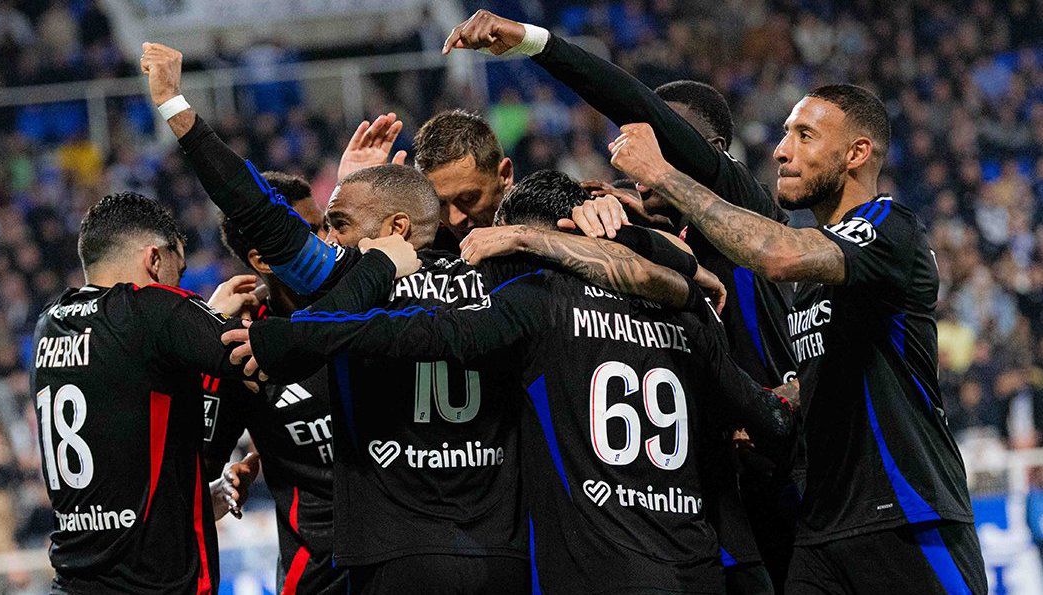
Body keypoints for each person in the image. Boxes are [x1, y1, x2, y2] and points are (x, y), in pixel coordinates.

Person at [141, 41, 704, 594]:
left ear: (397, 227)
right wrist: (659, 254)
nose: (330, 236)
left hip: (395, 552)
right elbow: (659, 265)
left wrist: (176, 108)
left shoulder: (358, 280)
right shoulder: (509, 275)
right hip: (503, 554)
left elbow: (257, 210)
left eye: (339, 223)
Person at [233, 170, 799, 594]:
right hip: (704, 562)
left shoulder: (534, 304)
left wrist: (294, 336)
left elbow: (422, 332)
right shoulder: (686, 311)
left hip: (588, 568)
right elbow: (767, 419)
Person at [441, 11, 798, 590]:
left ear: (708, 154)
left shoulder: (744, 213)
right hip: (713, 506)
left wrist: (535, 43)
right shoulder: (648, 242)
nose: (640, 168)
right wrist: (600, 228)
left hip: (789, 477)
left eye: (662, 149)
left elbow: (630, 100)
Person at [607, 86, 985, 593]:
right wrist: (773, 403)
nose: (782, 151)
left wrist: (662, 175)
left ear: (856, 153)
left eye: (804, 135)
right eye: (786, 134)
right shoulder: (813, 283)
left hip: (906, 514)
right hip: (821, 529)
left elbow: (776, 254)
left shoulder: (889, 227)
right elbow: (825, 376)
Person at [31, 192, 250, 594]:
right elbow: (263, 356)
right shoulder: (152, 309)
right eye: (178, 272)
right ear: (153, 259)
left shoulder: (49, 325)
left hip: (74, 581)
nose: (178, 285)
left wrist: (197, 501)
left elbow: (128, 444)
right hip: (153, 585)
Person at [202, 171, 347, 594]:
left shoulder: (365, 303)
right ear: (262, 260)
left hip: (402, 558)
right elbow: (198, 462)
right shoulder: (240, 344)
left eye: (327, 226)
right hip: (318, 574)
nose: (328, 242)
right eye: (310, 231)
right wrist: (206, 330)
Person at [413, 109, 514, 242]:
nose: (454, 220)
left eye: (468, 198)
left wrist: (527, 240)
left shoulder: (540, 220)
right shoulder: (428, 241)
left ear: (505, 175)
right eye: (441, 203)